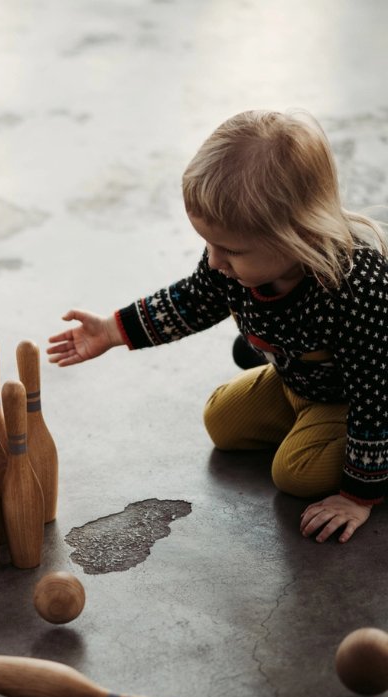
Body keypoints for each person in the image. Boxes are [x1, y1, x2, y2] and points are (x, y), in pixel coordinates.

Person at [47, 109, 388, 545]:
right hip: (298, 379)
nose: (213, 261)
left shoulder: (355, 288)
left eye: (229, 250)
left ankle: (366, 460)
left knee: (294, 474)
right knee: (221, 421)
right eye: (208, 244)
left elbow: (374, 397)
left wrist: (358, 495)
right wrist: (113, 331)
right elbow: (190, 299)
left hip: (358, 399)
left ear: (295, 234)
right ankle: (304, 415)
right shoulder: (233, 261)